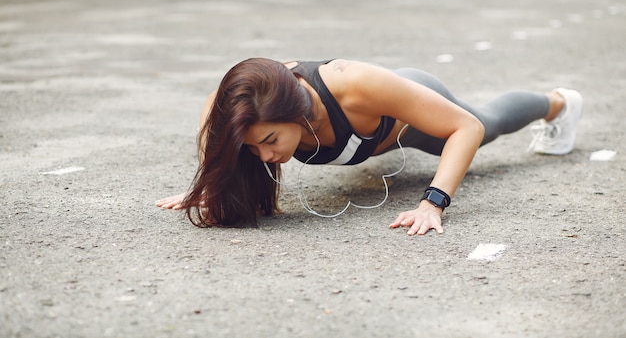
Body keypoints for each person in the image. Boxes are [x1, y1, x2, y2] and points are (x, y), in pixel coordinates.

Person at [156, 58, 583, 235]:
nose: (265, 156)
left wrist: (432, 203)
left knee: (487, 125)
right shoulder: (237, 104)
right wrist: (212, 185)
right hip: (372, 139)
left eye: (270, 141)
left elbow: (464, 128)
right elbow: (221, 142)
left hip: (408, 108)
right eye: (254, 149)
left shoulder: (354, 86)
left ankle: (559, 102)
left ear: (295, 111)